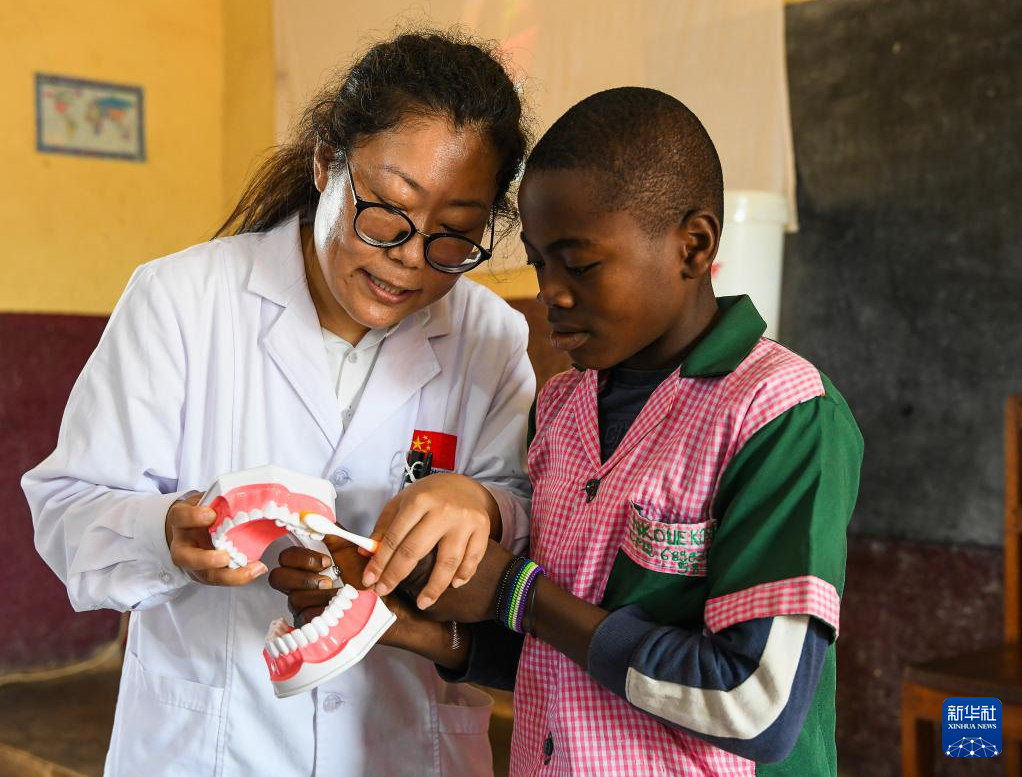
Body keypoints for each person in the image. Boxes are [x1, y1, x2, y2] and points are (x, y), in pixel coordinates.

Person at [278, 87, 864, 776]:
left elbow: (756, 705)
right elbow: (563, 655)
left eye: (579, 264)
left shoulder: (778, 413)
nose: (550, 291)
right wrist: (408, 626)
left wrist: (516, 591)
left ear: (694, 245)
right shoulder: (562, 407)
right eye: (539, 261)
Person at [22, 30, 534, 776]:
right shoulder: (182, 300)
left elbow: (527, 511)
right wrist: (165, 533)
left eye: (453, 234)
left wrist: (480, 504)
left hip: (404, 745)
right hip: (211, 748)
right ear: (327, 162)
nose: (409, 257)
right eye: (387, 211)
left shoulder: (490, 337)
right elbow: (68, 505)